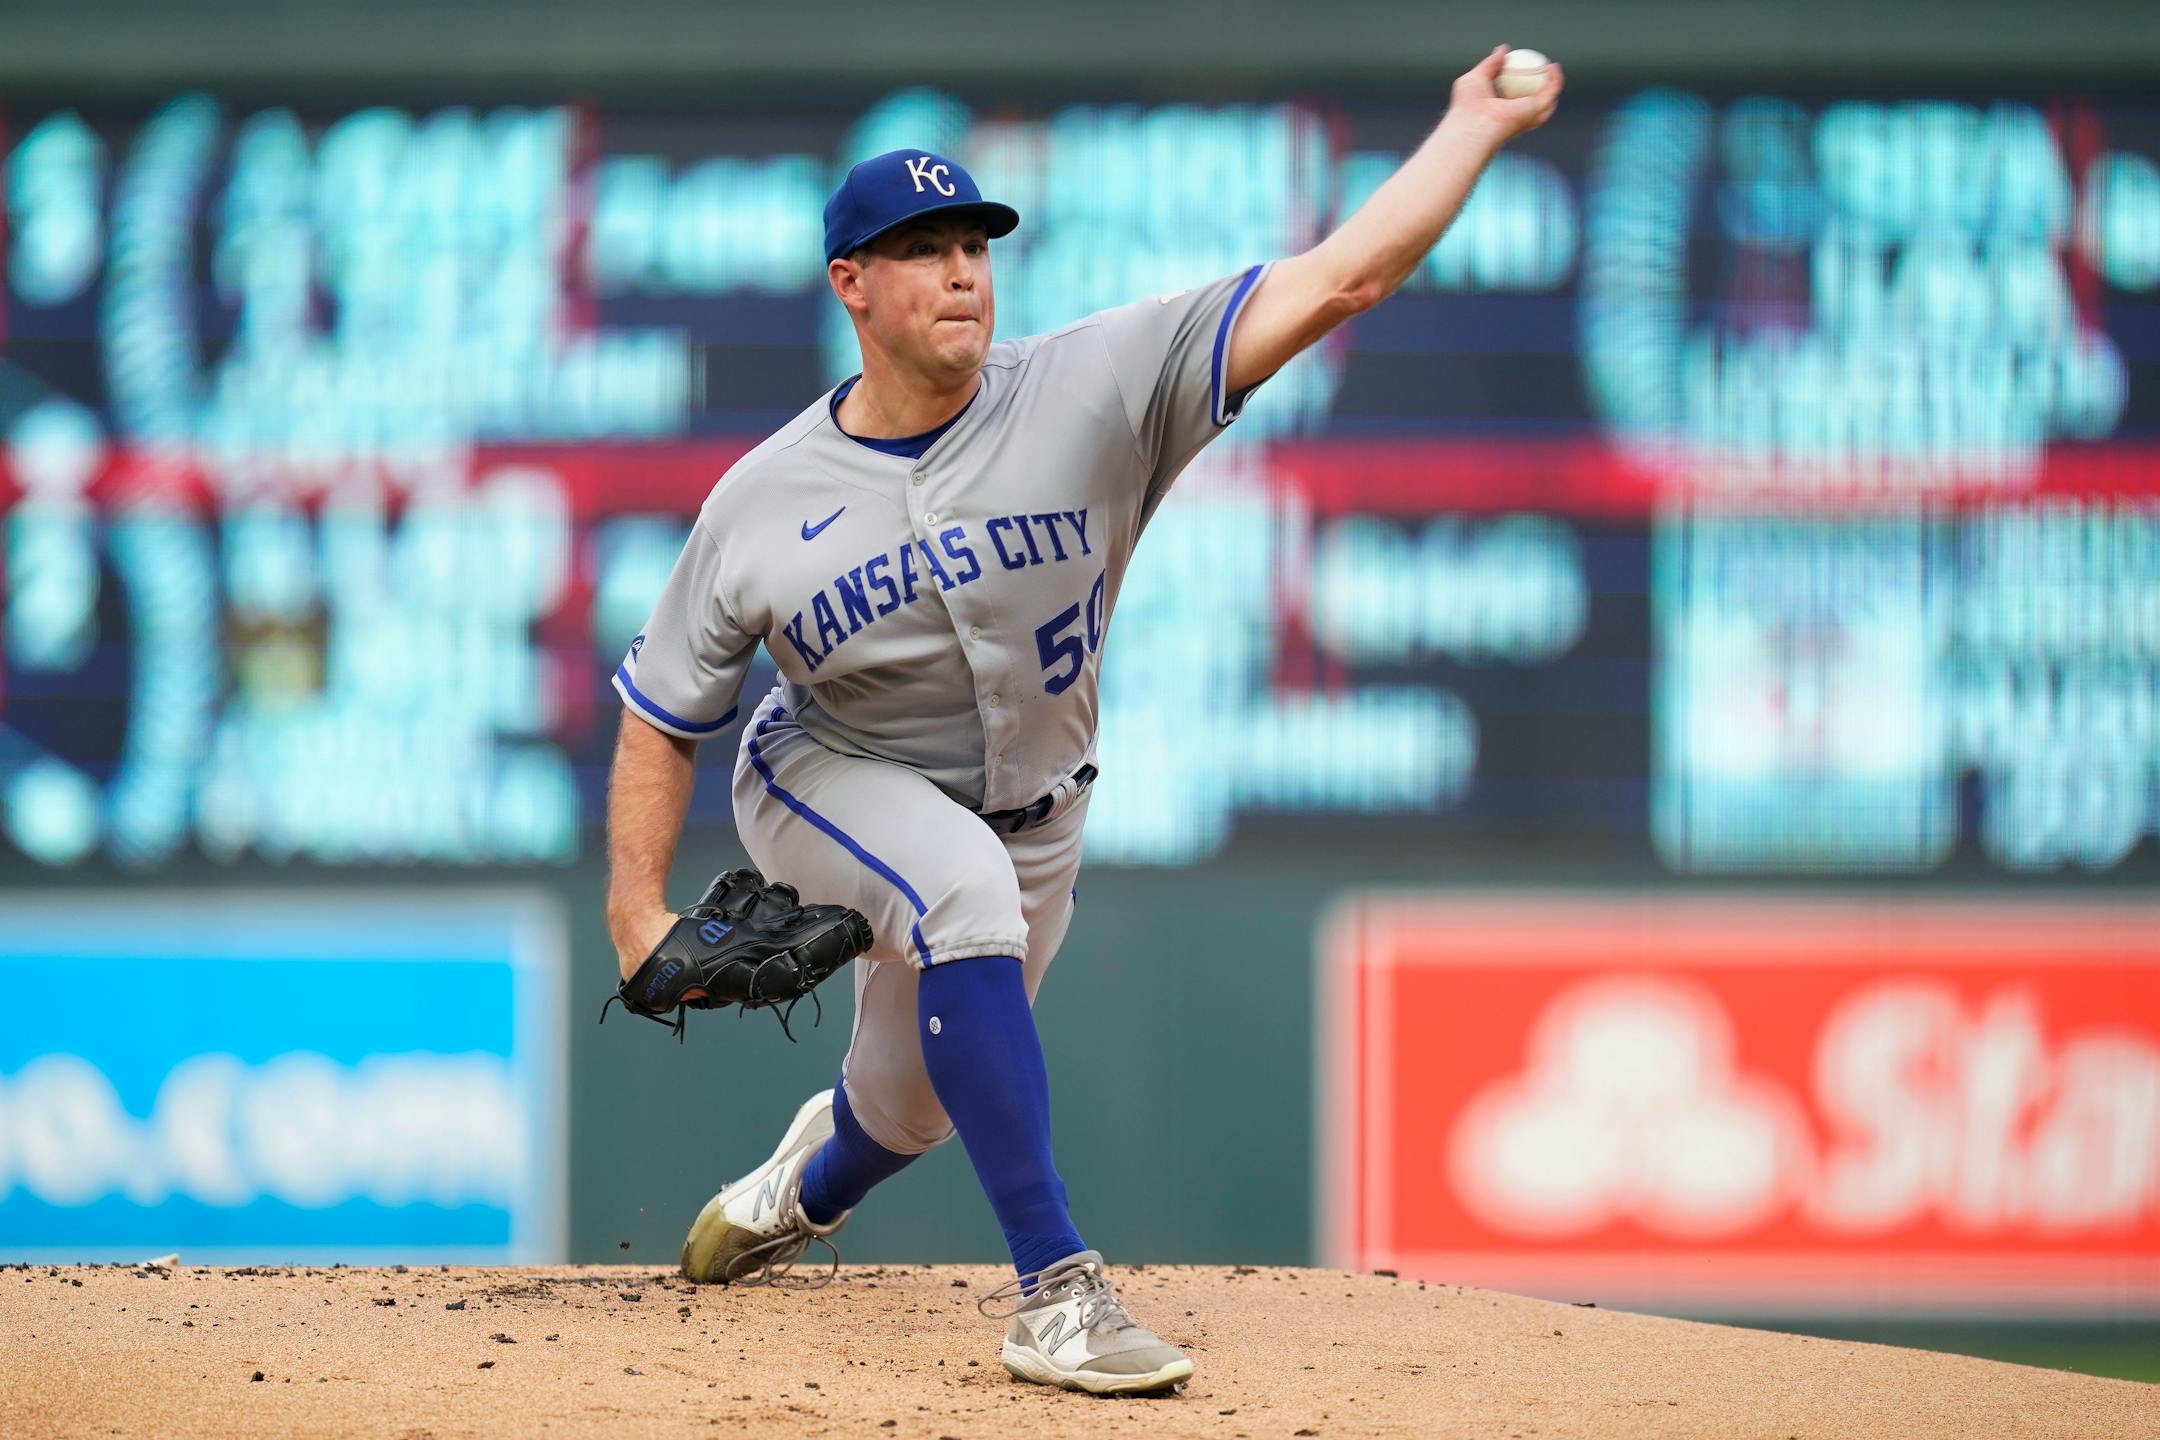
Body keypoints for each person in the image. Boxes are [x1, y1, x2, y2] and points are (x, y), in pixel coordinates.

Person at [605, 45, 1563, 1395]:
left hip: (1043, 808)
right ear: (851, 286)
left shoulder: (1100, 384)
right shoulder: (761, 498)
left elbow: (1344, 273)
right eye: (920, 248)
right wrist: (636, 918)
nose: (959, 271)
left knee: (914, 1108)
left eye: (974, 245)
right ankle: (1058, 1294)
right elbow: (661, 713)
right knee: (963, 898)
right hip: (826, 773)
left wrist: (1471, 124)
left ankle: (801, 1186)